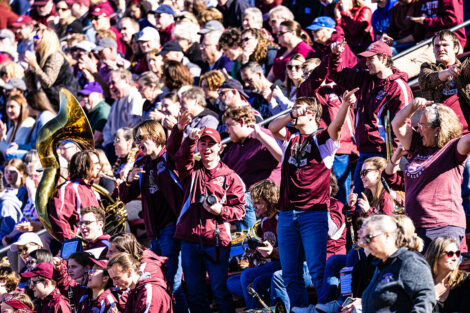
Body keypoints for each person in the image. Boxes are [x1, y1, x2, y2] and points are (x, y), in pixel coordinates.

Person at [267, 90, 357, 309]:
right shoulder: (291, 138)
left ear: (312, 115)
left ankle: (325, 307)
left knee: (318, 269)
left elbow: (335, 127)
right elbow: (272, 129)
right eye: (296, 108)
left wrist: (344, 105)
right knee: (289, 272)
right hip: (287, 213)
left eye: (302, 109)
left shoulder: (322, 139)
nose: (297, 112)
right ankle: (299, 309)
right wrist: (291, 114)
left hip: (313, 212)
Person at [172, 124, 246, 313]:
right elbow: (180, 158)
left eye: (211, 144)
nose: (206, 148)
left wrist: (219, 210)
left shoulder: (230, 177)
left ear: (220, 148)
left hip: (217, 242)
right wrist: (189, 140)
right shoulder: (191, 171)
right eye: (202, 144)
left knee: (220, 291)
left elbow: (240, 211)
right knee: (195, 293)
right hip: (190, 239)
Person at [119, 119, 188, 313]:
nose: (138, 142)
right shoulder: (141, 163)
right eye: (136, 139)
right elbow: (124, 196)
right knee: (164, 281)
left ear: (155, 136)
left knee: (173, 283)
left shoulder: (169, 157)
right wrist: (129, 182)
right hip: (154, 232)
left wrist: (178, 127)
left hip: (171, 227)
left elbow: (177, 146)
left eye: (142, 137)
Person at [330, 40, 412, 195]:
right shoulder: (365, 78)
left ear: (383, 58)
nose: (366, 62)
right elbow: (337, 74)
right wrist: (335, 56)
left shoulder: (398, 86)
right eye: (365, 59)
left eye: (370, 59)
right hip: (365, 151)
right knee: (360, 204)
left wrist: (394, 159)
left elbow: (404, 123)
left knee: (383, 204)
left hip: (384, 154)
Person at [392, 98, 470, 249]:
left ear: (438, 129)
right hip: (414, 228)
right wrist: (413, 106)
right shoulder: (417, 145)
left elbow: (467, 141)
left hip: (443, 227)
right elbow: (397, 124)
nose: (418, 129)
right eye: (419, 125)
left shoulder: (452, 148)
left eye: (423, 125)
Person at [342, 214, 436, 313]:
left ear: (387, 236)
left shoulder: (409, 262)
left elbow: (426, 300)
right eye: (363, 239)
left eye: (369, 238)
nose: (365, 244)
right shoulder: (380, 264)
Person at [227, 179, 281, 310]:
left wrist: (272, 252)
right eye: (253, 202)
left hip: (285, 265)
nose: (254, 206)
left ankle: (255, 309)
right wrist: (254, 253)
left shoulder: (281, 219)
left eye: (258, 203)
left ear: (269, 201)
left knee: (248, 277)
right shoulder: (263, 221)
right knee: (231, 282)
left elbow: (289, 253)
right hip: (272, 264)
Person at [48, 150, 101, 243]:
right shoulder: (69, 188)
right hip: (79, 246)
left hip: (95, 242)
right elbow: (59, 218)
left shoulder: (92, 190)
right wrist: (71, 243)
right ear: (85, 165)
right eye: (96, 163)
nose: (99, 167)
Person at [24, 27, 78, 109]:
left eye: (37, 37)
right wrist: (28, 73)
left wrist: (35, 66)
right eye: (34, 37)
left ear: (47, 40)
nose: (34, 40)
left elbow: (47, 82)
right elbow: (32, 88)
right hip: (49, 101)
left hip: (64, 102)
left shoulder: (56, 56)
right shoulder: (38, 57)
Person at [107, 252, 172, 313]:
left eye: (117, 278)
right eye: (112, 279)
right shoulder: (134, 291)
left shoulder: (149, 292)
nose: (114, 283)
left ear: (129, 272)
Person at [102, 69, 145, 153]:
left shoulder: (135, 97)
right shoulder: (116, 102)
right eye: (109, 84)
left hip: (130, 147)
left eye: (113, 82)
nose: (110, 86)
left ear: (125, 80)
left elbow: (134, 125)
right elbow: (107, 129)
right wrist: (112, 143)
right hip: (116, 147)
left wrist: (118, 142)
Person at [4, 91, 55, 161]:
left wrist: (19, 147)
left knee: (10, 154)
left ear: (33, 104)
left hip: (41, 156)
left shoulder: (45, 117)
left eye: (27, 104)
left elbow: (43, 144)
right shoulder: (40, 117)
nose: (26, 107)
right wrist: (19, 146)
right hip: (35, 152)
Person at [424, 236, 470, 312]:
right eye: (450, 254)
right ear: (436, 255)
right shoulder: (421, 283)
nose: (455, 258)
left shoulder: (465, 281)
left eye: (458, 253)